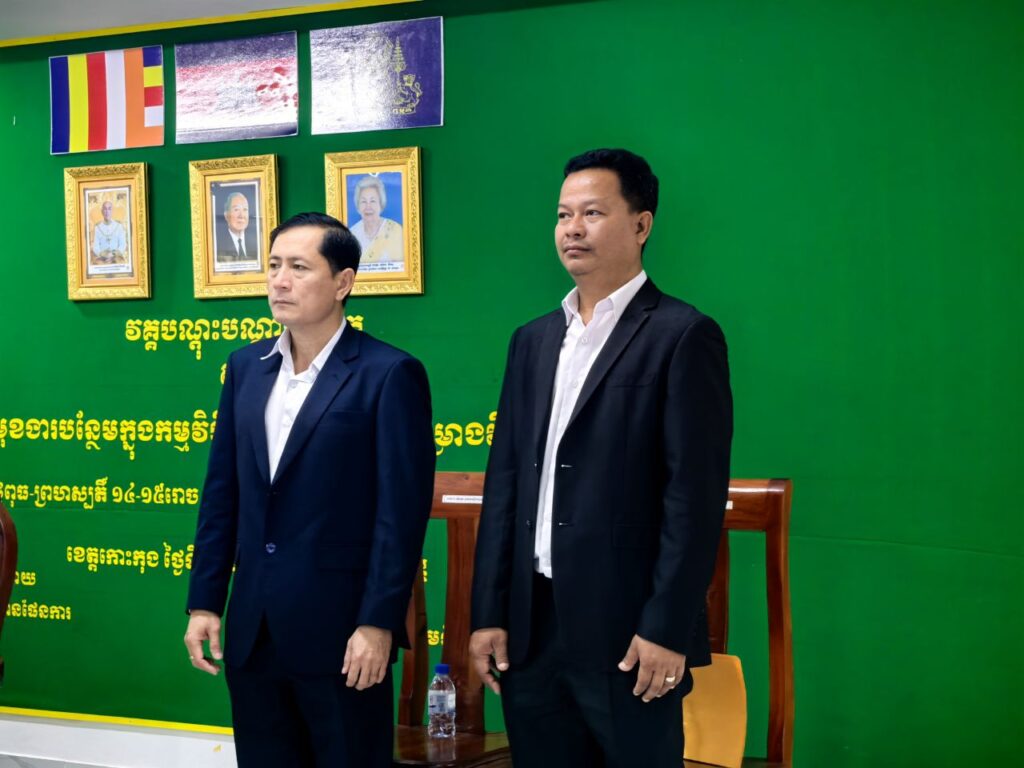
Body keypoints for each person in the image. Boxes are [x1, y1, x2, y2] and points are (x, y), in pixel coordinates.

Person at [469, 149, 733, 767]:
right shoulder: (532, 340)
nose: (573, 229)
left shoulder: (682, 335)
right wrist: (489, 613)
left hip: (629, 632)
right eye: (564, 215)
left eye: (592, 213)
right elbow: (505, 483)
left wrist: (666, 627)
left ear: (641, 225)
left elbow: (692, 499)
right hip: (532, 628)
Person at [184, 212, 436, 767]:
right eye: (274, 265)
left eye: (299, 267)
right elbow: (222, 492)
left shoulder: (388, 373)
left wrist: (377, 622)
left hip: (343, 636)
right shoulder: (246, 367)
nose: (280, 280)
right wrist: (205, 601)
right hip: (255, 630)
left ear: (343, 282)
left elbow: (400, 515)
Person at [349, 176, 403, 265]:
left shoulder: (395, 230)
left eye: (373, 201)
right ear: (358, 206)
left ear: (381, 204)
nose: (368, 206)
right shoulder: (352, 235)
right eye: (363, 201)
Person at [216, 191, 259, 264]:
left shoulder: (257, 242)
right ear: (226, 215)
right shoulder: (218, 245)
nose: (241, 216)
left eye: (245, 209)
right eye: (236, 209)